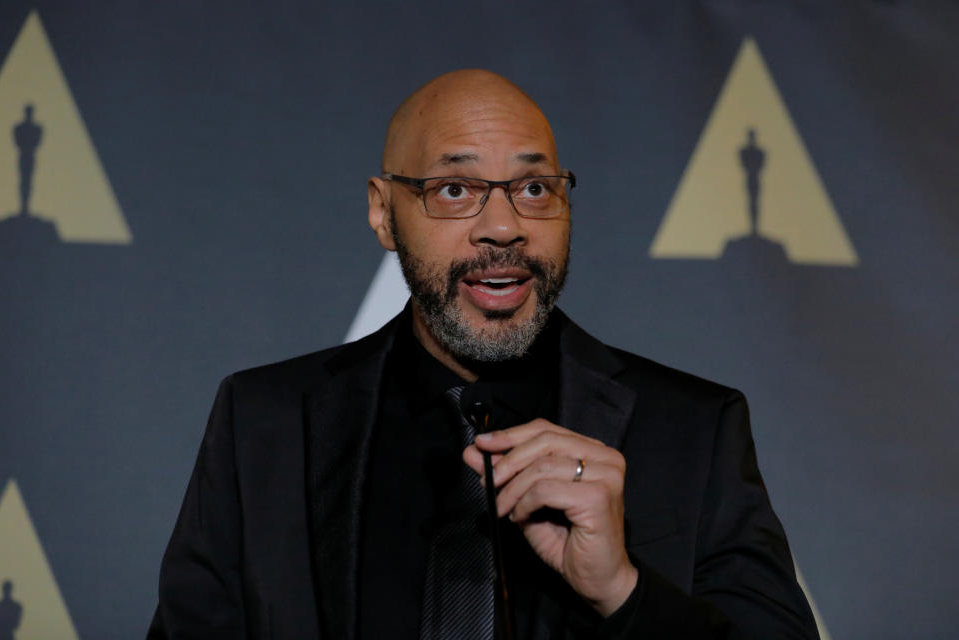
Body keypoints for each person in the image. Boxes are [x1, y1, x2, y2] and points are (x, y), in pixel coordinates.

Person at [148, 69, 818, 639]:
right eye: (454, 191)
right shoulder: (263, 420)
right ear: (384, 213)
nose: (503, 228)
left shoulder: (694, 429)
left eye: (534, 190)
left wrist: (622, 591)